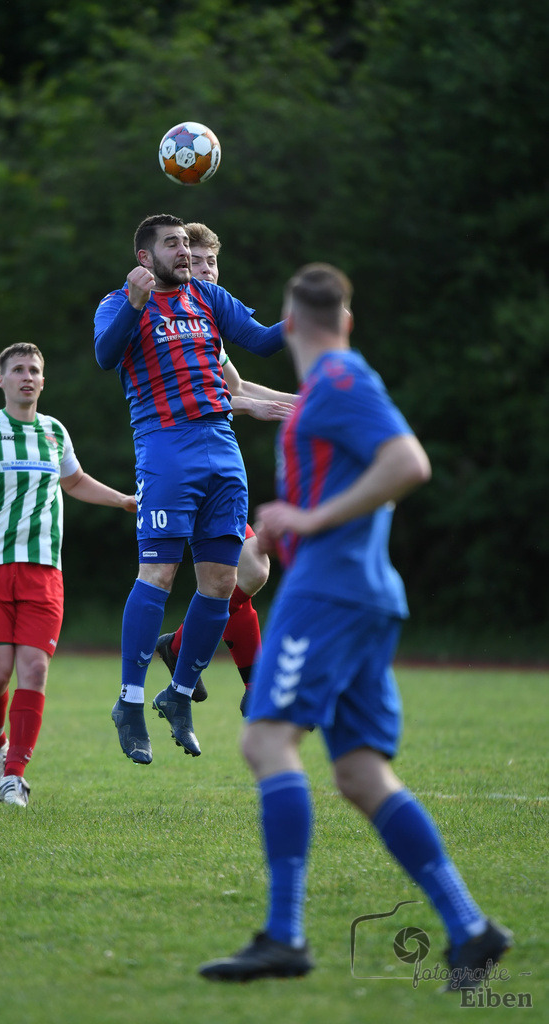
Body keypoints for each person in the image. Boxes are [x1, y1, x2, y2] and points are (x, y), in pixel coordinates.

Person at [198, 264, 512, 986]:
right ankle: (471, 928)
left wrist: (309, 520)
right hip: (358, 593)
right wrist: (286, 528)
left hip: (330, 597)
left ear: (289, 318)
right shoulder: (326, 388)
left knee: (264, 739)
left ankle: (284, 936)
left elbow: (406, 462)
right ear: (344, 318)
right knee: (360, 774)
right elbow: (354, 474)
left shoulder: (339, 380)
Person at [94, 213, 284, 764]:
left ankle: (178, 696)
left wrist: (310, 319)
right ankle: (128, 703)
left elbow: (264, 343)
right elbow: (106, 356)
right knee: (158, 572)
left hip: (222, 450)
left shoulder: (208, 297)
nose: (183, 252)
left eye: (186, 243)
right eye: (171, 244)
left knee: (224, 581)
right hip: (166, 450)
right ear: (143, 257)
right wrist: (133, 303)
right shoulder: (119, 302)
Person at [0, 343, 136, 807]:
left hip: (43, 573)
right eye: (18, 370)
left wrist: (122, 500)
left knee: (34, 669)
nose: (27, 377)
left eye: (34, 370)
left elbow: (73, 481)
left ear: (42, 380)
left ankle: (14, 775)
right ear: (2, 380)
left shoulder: (55, 432)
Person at [155, 222, 297, 714]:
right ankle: (254, 686)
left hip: (217, 463)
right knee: (246, 569)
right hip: (182, 464)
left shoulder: (210, 327)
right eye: (197, 263)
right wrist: (246, 406)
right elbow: (209, 400)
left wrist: (300, 402)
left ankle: (180, 649)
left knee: (248, 571)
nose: (207, 271)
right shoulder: (172, 323)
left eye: (213, 262)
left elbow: (238, 386)